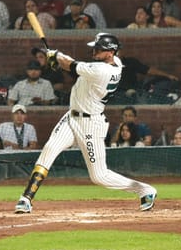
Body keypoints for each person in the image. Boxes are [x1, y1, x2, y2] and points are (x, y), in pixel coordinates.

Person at [14, 33, 157, 213]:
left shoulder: (102, 71)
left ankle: (145, 190)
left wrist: (55, 55)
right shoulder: (115, 63)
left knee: (99, 176)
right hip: (71, 118)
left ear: (111, 52)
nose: (95, 51)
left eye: (100, 49)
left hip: (91, 124)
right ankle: (26, 198)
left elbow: (71, 65)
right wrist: (57, 58)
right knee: (49, 149)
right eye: (95, 47)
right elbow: (74, 66)